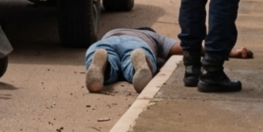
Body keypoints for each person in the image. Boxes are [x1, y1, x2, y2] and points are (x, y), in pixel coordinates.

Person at [84, 28, 253, 93]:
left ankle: (101, 65)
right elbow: (188, 47)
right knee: (130, 66)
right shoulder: (152, 36)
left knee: (110, 62)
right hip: (138, 44)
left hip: (104, 42)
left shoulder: (113, 31)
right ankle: (142, 62)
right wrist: (232, 52)